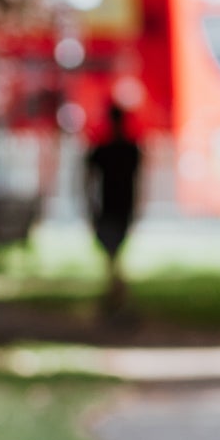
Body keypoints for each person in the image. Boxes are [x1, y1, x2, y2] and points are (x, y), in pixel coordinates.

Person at [83, 98, 144, 321]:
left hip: (109, 208)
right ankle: (116, 298)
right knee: (113, 256)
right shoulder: (128, 149)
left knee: (112, 257)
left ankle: (116, 299)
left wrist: (89, 206)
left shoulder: (107, 150)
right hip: (120, 207)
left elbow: (87, 179)